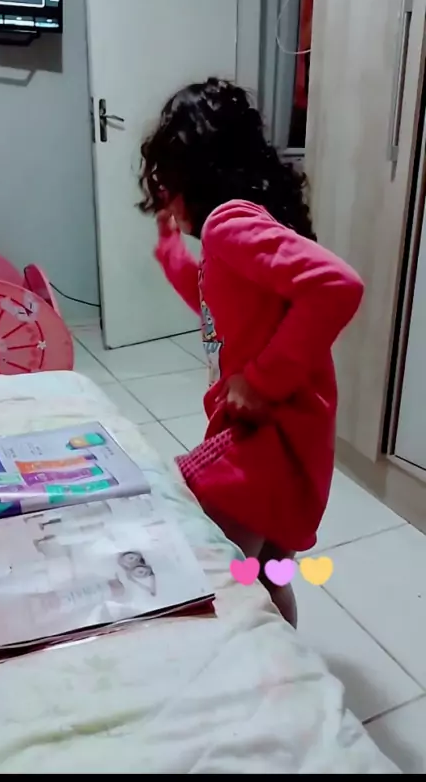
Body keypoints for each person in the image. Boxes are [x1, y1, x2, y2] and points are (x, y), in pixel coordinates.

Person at [138, 78, 364, 627]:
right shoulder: (242, 227)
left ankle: (250, 665)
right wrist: (170, 252)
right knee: (265, 576)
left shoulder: (227, 224)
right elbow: (218, 306)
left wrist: (261, 380)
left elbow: (338, 285)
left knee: (217, 576)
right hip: (292, 442)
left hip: (264, 440)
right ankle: (284, 666)